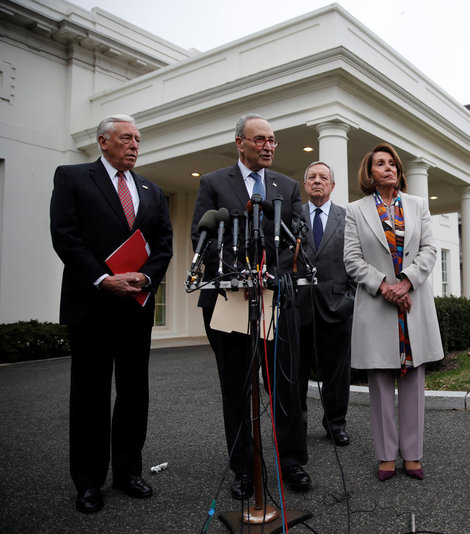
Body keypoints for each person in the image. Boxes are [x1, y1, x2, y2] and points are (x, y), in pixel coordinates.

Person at [50, 115, 173, 514]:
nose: (135, 144)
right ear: (103, 141)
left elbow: (164, 245)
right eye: (126, 138)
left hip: (136, 308)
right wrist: (104, 279)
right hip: (91, 306)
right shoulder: (72, 177)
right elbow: (65, 237)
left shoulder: (152, 190)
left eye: (138, 138)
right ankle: (88, 483)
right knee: (90, 397)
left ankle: (128, 472)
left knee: (135, 394)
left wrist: (145, 278)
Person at [191, 113, 310, 496]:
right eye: (260, 139)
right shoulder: (212, 183)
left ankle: (292, 463)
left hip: (277, 298)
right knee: (237, 387)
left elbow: (299, 241)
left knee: (285, 385)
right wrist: (237, 272)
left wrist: (271, 274)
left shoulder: (288, 187)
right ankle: (244, 469)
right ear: (239, 142)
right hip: (229, 299)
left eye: (272, 140)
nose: (269, 146)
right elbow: (204, 236)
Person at [343, 142, 443, 481]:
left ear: (398, 170)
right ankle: (386, 456)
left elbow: (429, 250)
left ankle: (413, 455)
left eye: (392, 163)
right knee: (381, 382)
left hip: (412, 304)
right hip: (377, 305)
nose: (388, 168)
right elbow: (352, 260)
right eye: (379, 163)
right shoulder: (355, 211)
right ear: (369, 173)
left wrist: (407, 282)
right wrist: (385, 286)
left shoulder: (417, 205)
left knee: (414, 380)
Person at [297, 161, 355, 447]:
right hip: (298, 308)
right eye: (312, 177)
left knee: (337, 373)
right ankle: (298, 427)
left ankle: (335, 424)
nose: (317, 181)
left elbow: (358, 262)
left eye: (323, 177)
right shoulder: (292, 217)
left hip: (337, 307)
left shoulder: (348, 218)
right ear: (305, 185)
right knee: (296, 372)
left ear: (332, 185)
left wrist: (351, 300)